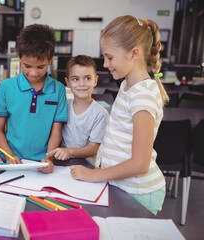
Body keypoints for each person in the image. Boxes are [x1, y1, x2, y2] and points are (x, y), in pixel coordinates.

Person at [70, 15, 169, 215]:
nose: (105, 64)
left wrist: (95, 174)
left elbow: (140, 163)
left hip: (139, 192)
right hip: (122, 185)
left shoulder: (142, 96)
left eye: (110, 57)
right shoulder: (127, 85)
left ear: (134, 54)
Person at [0, 24, 68, 174]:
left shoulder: (58, 89)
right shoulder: (6, 87)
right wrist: (9, 156)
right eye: (27, 66)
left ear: (50, 60)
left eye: (40, 67)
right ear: (19, 58)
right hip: (10, 161)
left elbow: (56, 132)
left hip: (41, 163)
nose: (33, 73)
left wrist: (49, 159)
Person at [46, 55, 109, 167]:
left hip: (86, 167)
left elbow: (93, 148)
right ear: (68, 82)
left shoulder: (101, 114)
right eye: (75, 79)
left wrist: (69, 151)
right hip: (61, 165)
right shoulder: (63, 107)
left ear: (95, 80)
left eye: (87, 78)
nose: (81, 84)